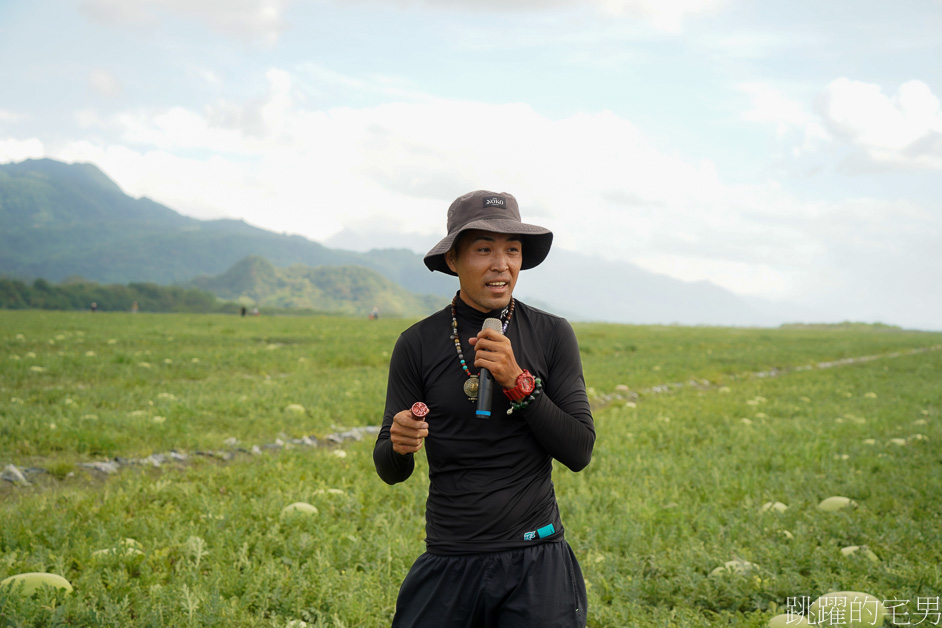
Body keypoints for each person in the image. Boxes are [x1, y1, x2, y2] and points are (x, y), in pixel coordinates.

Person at [373, 190, 595, 627]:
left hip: (537, 558)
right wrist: (399, 444)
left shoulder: (552, 334)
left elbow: (579, 451)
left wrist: (519, 384)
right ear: (453, 259)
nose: (501, 264)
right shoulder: (417, 343)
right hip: (450, 556)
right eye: (483, 250)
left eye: (512, 250)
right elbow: (389, 468)